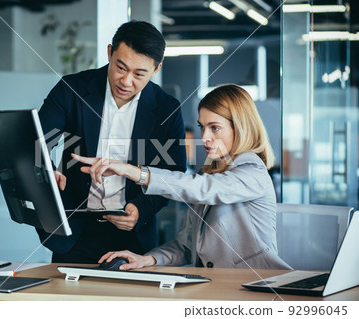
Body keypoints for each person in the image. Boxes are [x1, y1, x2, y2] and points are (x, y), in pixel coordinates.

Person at [74, 84, 291, 269]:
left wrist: (132, 171)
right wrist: (147, 259)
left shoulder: (254, 173)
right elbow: (185, 246)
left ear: (241, 128)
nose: (204, 137)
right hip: (217, 289)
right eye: (202, 127)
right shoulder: (209, 174)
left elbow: (205, 189)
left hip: (260, 290)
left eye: (215, 128)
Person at [37, 20, 187, 263]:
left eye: (139, 74)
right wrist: (47, 170)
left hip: (133, 237)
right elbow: (38, 141)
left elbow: (174, 172)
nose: (126, 81)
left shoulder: (166, 109)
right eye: (120, 68)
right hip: (75, 232)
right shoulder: (72, 89)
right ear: (109, 52)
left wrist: (141, 209)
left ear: (156, 69)